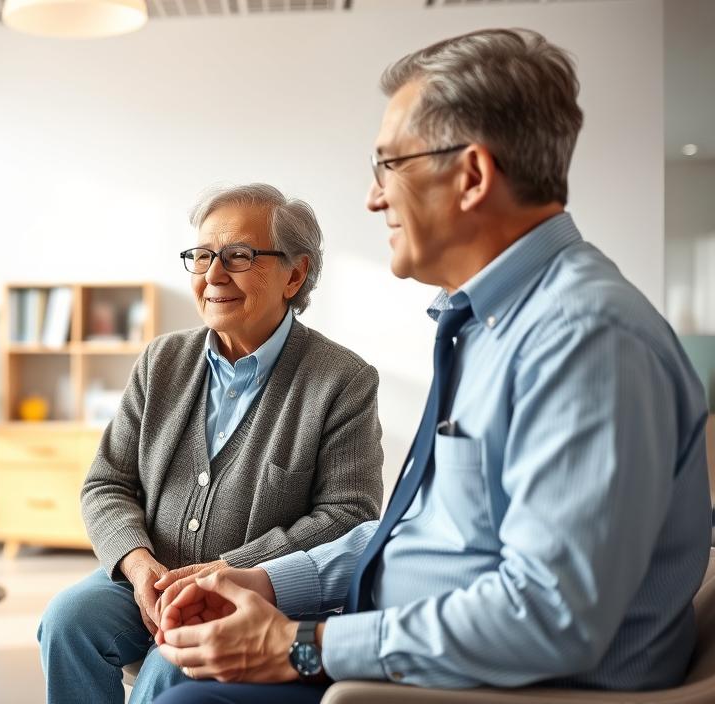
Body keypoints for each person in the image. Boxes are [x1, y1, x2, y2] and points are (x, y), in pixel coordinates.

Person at [147, 28, 712, 704]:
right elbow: (416, 533)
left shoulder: (585, 339)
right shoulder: (486, 323)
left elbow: (551, 616)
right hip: (426, 644)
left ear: (471, 175)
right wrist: (270, 583)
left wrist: (300, 644)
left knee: (187, 694)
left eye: (389, 165)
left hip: (513, 686)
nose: (372, 197)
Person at [39, 184, 385, 703]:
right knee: (67, 622)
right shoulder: (162, 362)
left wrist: (234, 573)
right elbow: (107, 482)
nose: (214, 274)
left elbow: (348, 514)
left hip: (251, 593)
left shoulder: (343, 380)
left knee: (171, 667)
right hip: (147, 582)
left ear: (295, 274)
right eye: (202, 256)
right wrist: (138, 565)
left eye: (239, 256)